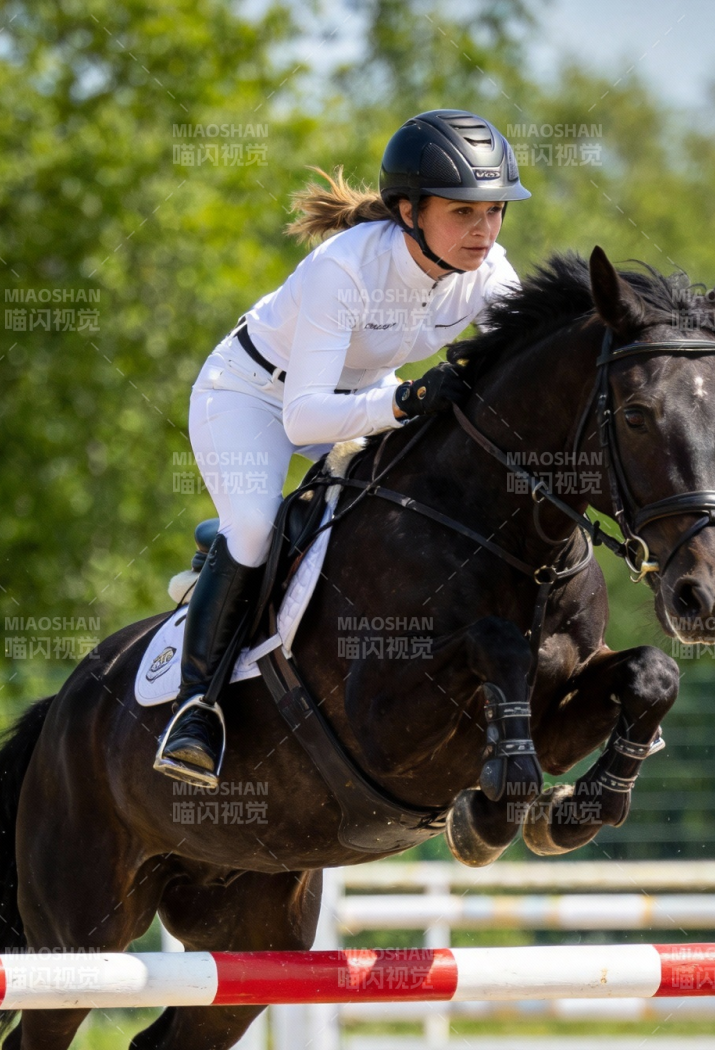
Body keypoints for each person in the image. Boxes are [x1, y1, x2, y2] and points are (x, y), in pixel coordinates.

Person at [153, 108, 530, 790]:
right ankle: (196, 707)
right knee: (255, 526)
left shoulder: (489, 272)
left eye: (495, 211)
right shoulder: (345, 269)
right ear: (409, 211)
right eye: (464, 212)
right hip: (253, 395)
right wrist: (405, 402)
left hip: (363, 395)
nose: (484, 231)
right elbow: (304, 422)